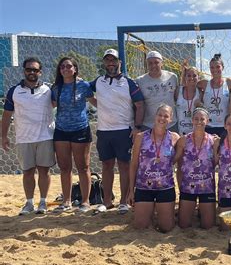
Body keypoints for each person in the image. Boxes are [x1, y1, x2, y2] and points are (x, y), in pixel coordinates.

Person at [90, 49, 145, 214]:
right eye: (107, 60)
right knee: (106, 166)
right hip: (104, 130)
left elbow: (140, 104)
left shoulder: (129, 82)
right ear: (104, 63)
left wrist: (137, 127)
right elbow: (84, 90)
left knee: (124, 166)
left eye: (113, 60)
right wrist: (96, 103)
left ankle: (123, 201)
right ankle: (107, 202)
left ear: (119, 62)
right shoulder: (98, 81)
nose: (110, 63)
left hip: (123, 130)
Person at [1, 57, 55, 215]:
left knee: (44, 171)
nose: (32, 72)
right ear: (24, 71)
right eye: (29, 69)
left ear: (40, 72)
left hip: (45, 136)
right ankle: (29, 203)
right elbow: (6, 115)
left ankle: (43, 202)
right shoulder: (14, 91)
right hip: (23, 138)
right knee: (27, 172)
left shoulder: (49, 89)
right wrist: (3, 136)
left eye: (35, 70)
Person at [51, 57, 96, 213]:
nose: (65, 68)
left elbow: (96, 102)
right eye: (62, 66)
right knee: (64, 168)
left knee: (83, 167)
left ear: (75, 69)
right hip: (61, 131)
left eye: (69, 66)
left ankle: (85, 202)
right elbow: (47, 106)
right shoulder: (56, 88)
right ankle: (66, 201)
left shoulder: (84, 85)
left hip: (80, 129)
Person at [128, 104, 180, 231]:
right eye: (160, 115)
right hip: (144, 186)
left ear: (171, 119)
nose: (162, 118)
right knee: (141, 226)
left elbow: (178, 161)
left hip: (165, 187)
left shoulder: (175, 138)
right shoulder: (141, 137)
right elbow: (134, 164)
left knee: (166, 228)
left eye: (166, 116)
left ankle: (160, 213)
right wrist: (131, 191)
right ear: (155, 116)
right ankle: (149, 212)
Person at [175, 108, 217, 229]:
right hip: (188, 187)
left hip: (207, 188)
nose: (199, 121)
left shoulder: (213, 140)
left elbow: (216, 163)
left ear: (207, 121)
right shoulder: (183, 140)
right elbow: (178, 164)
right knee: (183, 225)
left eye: (202, 119)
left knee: (208, 226)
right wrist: (181, 189)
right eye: (196, 119)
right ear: (192, 121)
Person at [135, 51, 179, 132]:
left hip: (170, 124)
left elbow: (177, 98)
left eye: (156, 62)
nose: (153, 65)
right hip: (149, 125)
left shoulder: (172, 77)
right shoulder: (140, 81)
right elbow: (138, 104)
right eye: (150, 63)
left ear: (162, 63)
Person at [200, 54, 231, 137]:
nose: (215, 70)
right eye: (212, 67)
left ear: (223, 67)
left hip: (224, 127)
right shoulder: (204, 84)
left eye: (218, 67)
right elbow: (187, 85)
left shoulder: (228, 82)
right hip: (208, 126)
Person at [176, 65, 201, 135]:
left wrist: (201, 105)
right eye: (189, 75)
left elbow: (205, 111)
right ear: (185, 77)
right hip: (179, 133)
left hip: (195, 135)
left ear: (198, 77)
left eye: (194, 75)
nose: (192, 78)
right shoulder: (178, 91)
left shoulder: (200, 93)